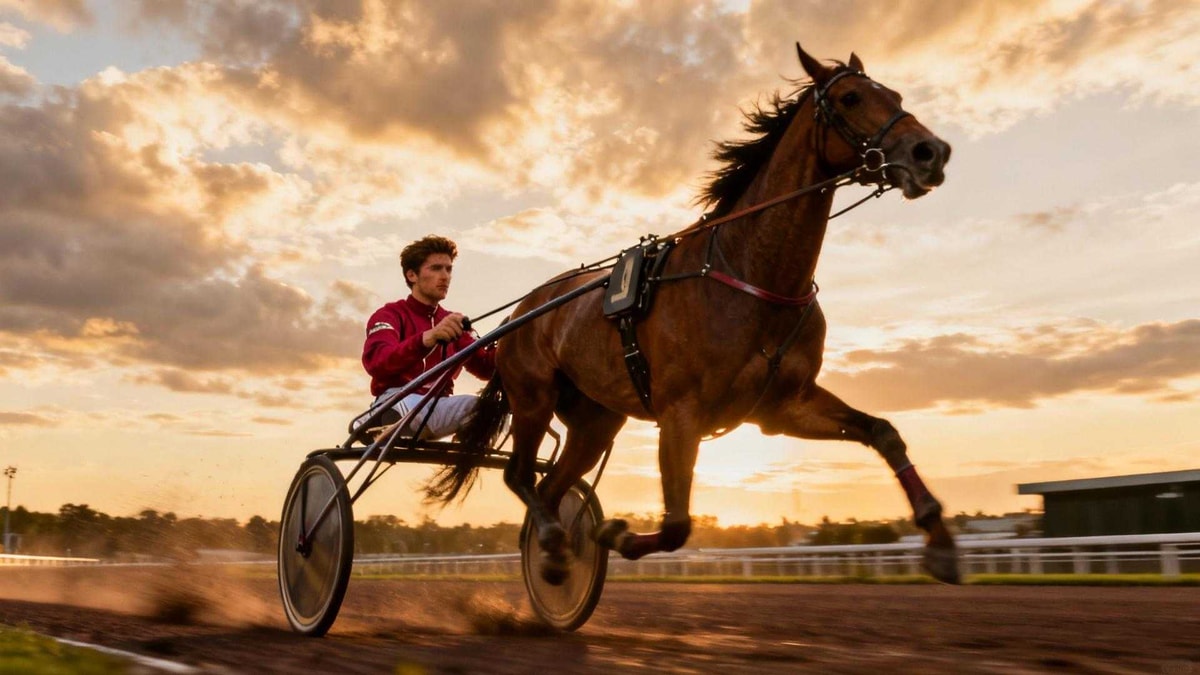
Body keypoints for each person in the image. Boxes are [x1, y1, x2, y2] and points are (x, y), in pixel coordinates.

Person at [359, 235, 495, 439]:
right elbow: (378, 363)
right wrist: (427, 338)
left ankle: (464, 457)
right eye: (436, 268)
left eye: (449, 269)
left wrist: (518, 340)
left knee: (493, 410)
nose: (445, 276)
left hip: (437, 409)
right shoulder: (389, 315)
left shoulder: (453, 322)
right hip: (397, 399)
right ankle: (381, 420)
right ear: (412, 275)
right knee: (411, 405)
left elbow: (485, 368)